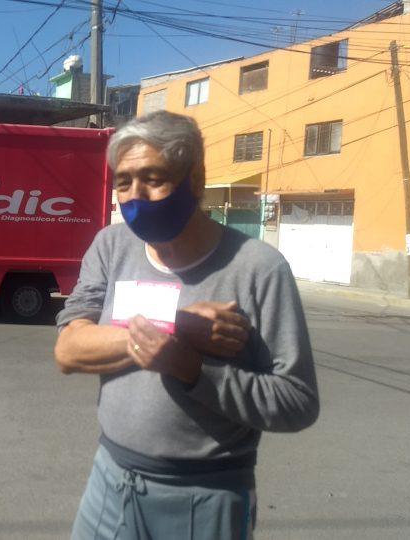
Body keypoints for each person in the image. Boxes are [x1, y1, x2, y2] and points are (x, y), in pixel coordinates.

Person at [54, 110, 319, 539]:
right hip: (109, 481)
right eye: (123, 182)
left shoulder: (259, 268)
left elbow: (296, 401)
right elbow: (68, 351)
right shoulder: (111, 246)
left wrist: (193, 370)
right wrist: (176, 327)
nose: (136, 196)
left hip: (205, 495)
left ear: (195, 180)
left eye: (153, 178)